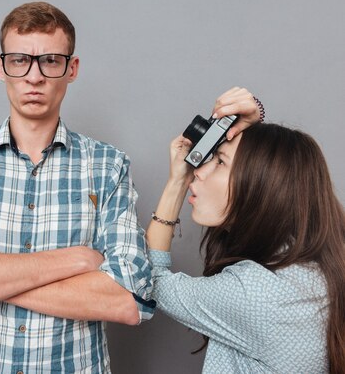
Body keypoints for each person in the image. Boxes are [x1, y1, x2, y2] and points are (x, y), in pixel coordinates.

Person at [0, 1, 154, 373]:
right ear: (1, 67)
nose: (33, 77)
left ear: (72, 69)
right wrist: (78, 260)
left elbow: (130, 300)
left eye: (50, 61)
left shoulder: (108, 166)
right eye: (19, 60)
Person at [146, 119, 345, 372]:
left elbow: (147, 278)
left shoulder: (255, 291)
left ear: (263, 182)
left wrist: (176, 182)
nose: (199, 169)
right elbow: (279, 158)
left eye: (219, 162)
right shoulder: (308, 264)